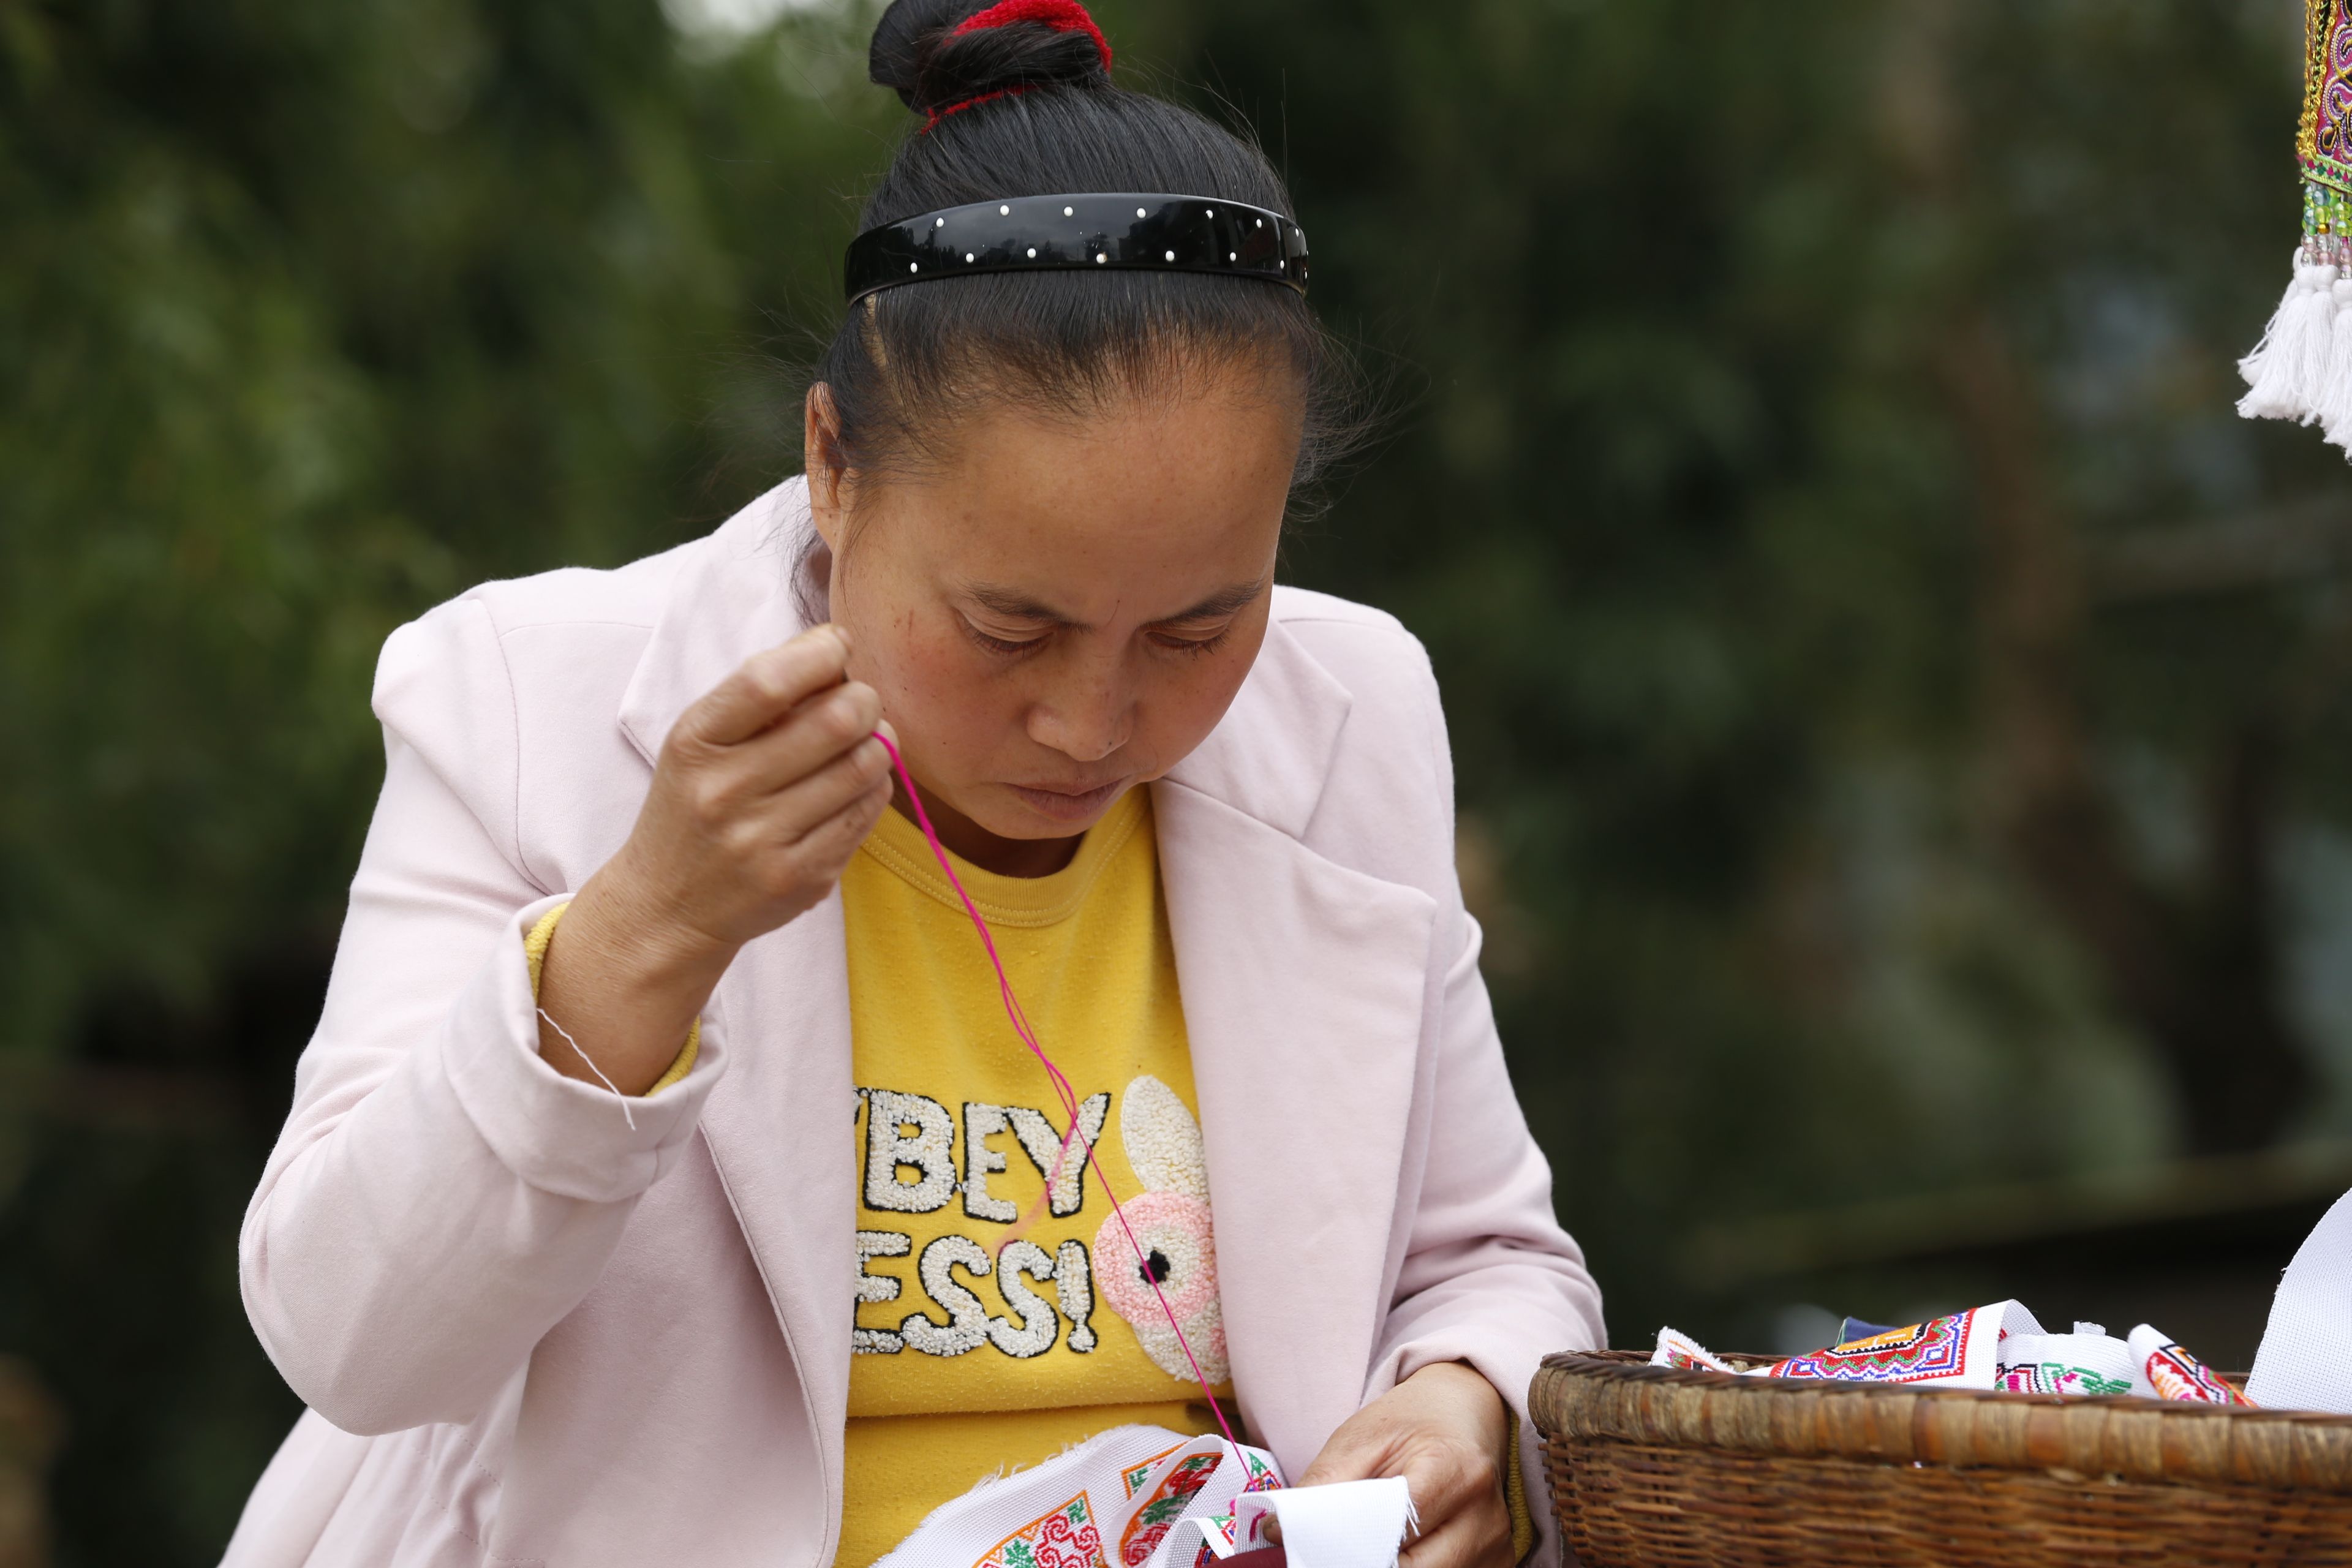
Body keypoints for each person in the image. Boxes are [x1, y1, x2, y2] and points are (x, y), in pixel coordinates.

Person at [220, 1, 1604, 1562]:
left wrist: (1459, 1401)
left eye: (1198, 628)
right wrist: (648, 929)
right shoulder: (529, 701)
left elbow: (1492, 1261)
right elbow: (352, 1341)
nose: (1091, 722)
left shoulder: (1351, 708)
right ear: (833, 464)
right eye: (1011, 627)